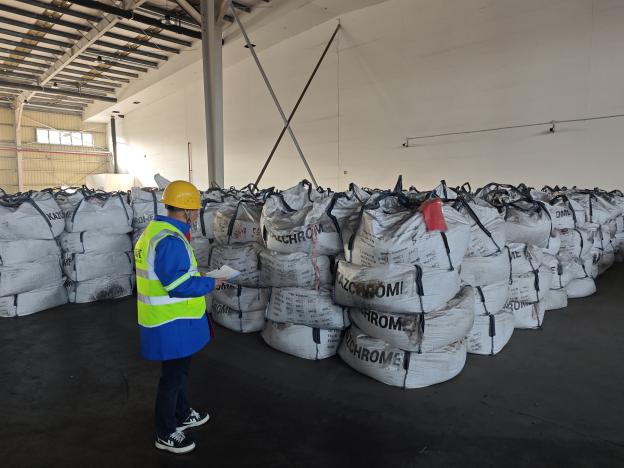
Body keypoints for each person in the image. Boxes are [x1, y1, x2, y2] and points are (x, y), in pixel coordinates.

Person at [134, 180, 223, 454]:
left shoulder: (157, 232)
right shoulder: (170, 240)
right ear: (187, 211)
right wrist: (211, 283)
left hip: (172, 320)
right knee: (171, 379)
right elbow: (178, 286)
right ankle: (165, 432)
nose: (196, 215)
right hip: (170, 323)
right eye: (195, 210)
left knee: (180, 372)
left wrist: (199, 278)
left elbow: (175, 276)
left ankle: (182, 414)